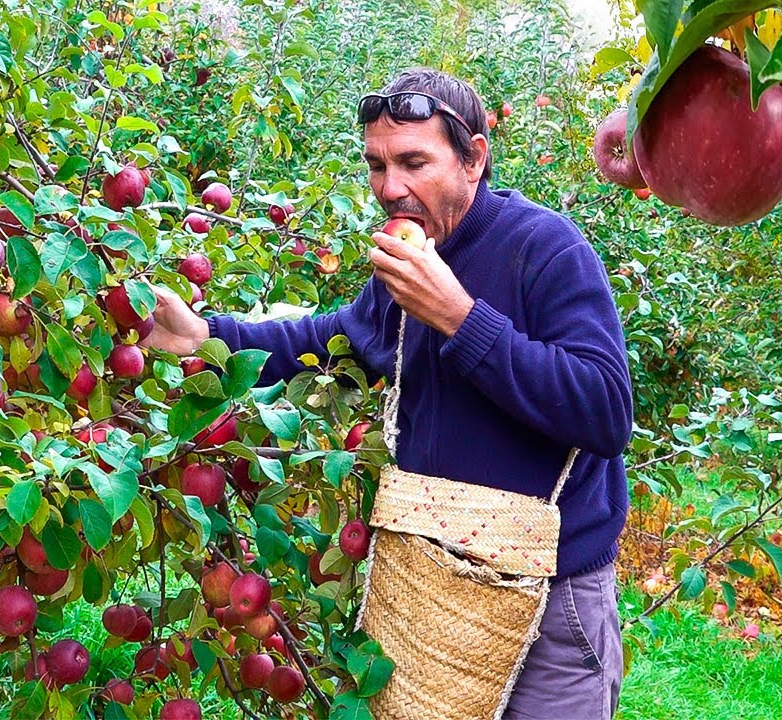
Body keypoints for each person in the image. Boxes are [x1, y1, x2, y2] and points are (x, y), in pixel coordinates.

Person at [143, 67, 632, 719]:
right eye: (376, 164)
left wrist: (460, 317)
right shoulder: (412, 258)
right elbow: (340, 339)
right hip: (434, 585)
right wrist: (207, 337)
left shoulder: (546, 250)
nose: (390, 189)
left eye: (413, 162)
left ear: (474, 159)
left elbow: (605, 411)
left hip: (552, 595)